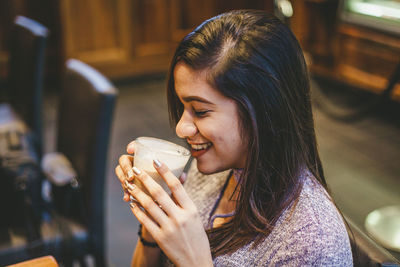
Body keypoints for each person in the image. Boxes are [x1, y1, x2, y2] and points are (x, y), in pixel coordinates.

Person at [115, 9, 353, 266]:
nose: (181, 129)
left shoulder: (312, 243)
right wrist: (154, 224)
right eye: (183, 107)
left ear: (264, 111)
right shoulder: (210, 168)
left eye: (201, 111)